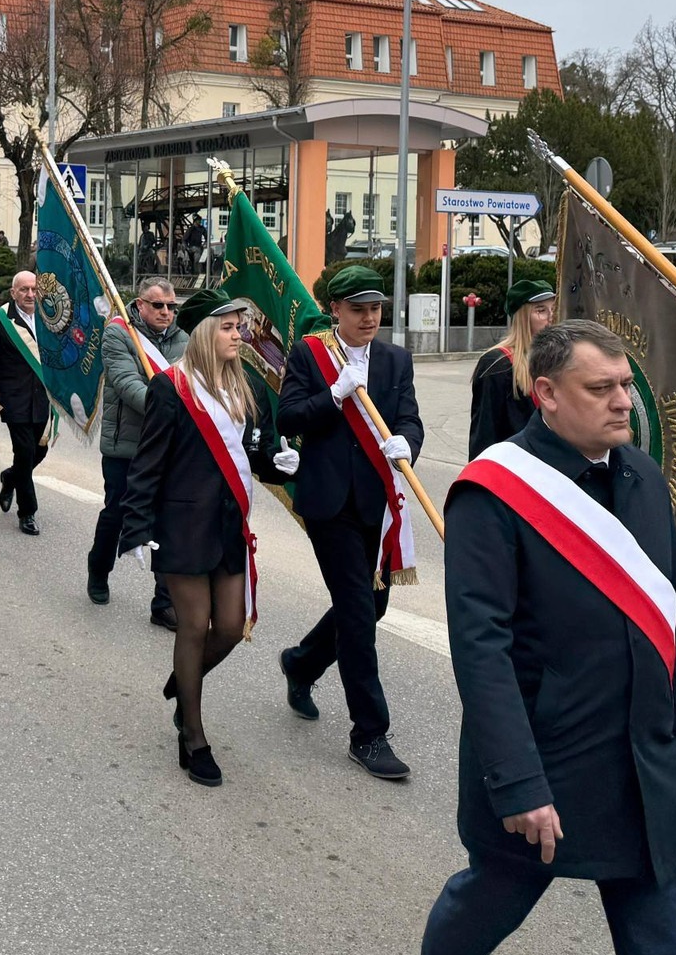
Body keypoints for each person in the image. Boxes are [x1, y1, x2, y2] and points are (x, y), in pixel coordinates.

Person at [413, 319, 676, 955]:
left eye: (625, 388)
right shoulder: (492, 493)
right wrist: (517, 782)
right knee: (494, 897)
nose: (622, 404)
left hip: (645, 757)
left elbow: (674, 616)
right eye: (600, 388)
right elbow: (481, 651)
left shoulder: (639, 474)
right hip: (549, 753)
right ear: (545, 393)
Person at [121, 291, 290, 787]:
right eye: (229, 327)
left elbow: (250, 454)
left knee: (232, 626)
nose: (240, 335)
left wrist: (276, 464)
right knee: (194, 626)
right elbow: (147, 464)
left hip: (228, 526)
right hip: (182, 528)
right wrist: (135, 528)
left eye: (240, 326)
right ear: (202, 335)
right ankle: (192, 734)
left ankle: (183, 680)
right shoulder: (172, 389)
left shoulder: (246, 386)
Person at [276, 263, 424, 781]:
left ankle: (302, 661)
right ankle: (369, 734)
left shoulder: (394, 360)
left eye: (375, 308)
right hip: (328, 502)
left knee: (371, 603)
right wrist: (334, 395)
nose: (368, 318)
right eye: (357, 308)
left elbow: (408, 417)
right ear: (334, 309)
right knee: (359, 613)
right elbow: (288, 417)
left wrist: (410, 443)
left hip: (377, 502)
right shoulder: (310, 355)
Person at [89, 276, 187, 623]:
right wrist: (175, 413)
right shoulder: (119, 334)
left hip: (169, 447)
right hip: (126, 447)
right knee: (117, 514)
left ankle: (163, 604)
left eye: (171, 307)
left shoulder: (183, 340)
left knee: (167, 522)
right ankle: (98, 571)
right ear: (140, 304)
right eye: (158, 305)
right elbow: (128, 385)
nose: (166, 312)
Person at [0, 270, 52, 535]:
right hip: (15, 398)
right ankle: (27, 512)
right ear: (13, 292)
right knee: (25, 452)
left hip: (44, 398)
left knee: (40, 451)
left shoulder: (50, 318)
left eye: (34, 289)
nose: (29, 295)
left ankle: (10, 477)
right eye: (24, 290)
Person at [466, 280, 557, 457]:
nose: (550, 317)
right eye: (540, 310)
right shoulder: (497, 363)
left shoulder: (556, 359)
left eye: (553, 309)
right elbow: (484, 433)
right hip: (511, 469)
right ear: (523, 316)